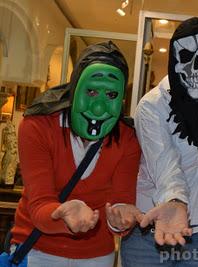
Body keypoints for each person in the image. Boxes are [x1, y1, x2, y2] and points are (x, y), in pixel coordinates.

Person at [11, 41, 142, 267]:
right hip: (37, 251)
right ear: (74, 89)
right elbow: (40, 203)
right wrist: (62, 214)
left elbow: (121, 201)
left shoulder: (127, 138)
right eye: (91, 91)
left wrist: (120, 220)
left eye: (111, 95)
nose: (99, 108)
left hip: (97, 256)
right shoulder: (38, 126)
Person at [121, 17, 198, 267]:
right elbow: (165, 165)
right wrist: (175, 201)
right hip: (151, 236)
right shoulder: (153, 106)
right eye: (186, 57)